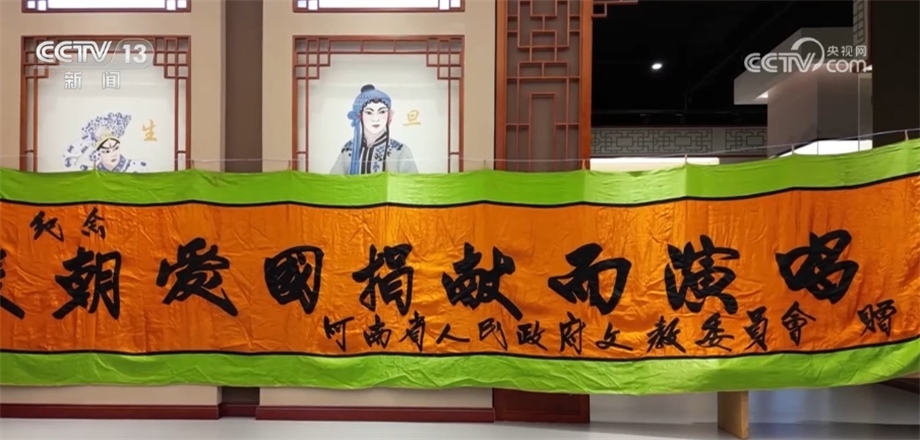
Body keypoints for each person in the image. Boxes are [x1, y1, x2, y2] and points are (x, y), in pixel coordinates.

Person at [329, 84, 418, 175]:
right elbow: (333, 182)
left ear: (389, 115)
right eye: (369, 112)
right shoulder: (348, 149)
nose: (376, 119)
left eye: (382, 112)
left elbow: (412, 182)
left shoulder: (400, 151)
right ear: (359, 115)